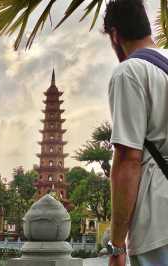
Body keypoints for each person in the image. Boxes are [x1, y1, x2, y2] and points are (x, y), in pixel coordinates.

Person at [103, 0, 168, 265]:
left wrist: (117, 246)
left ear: (115, 35)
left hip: (158, 223)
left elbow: (128, 160)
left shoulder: (130, 72)